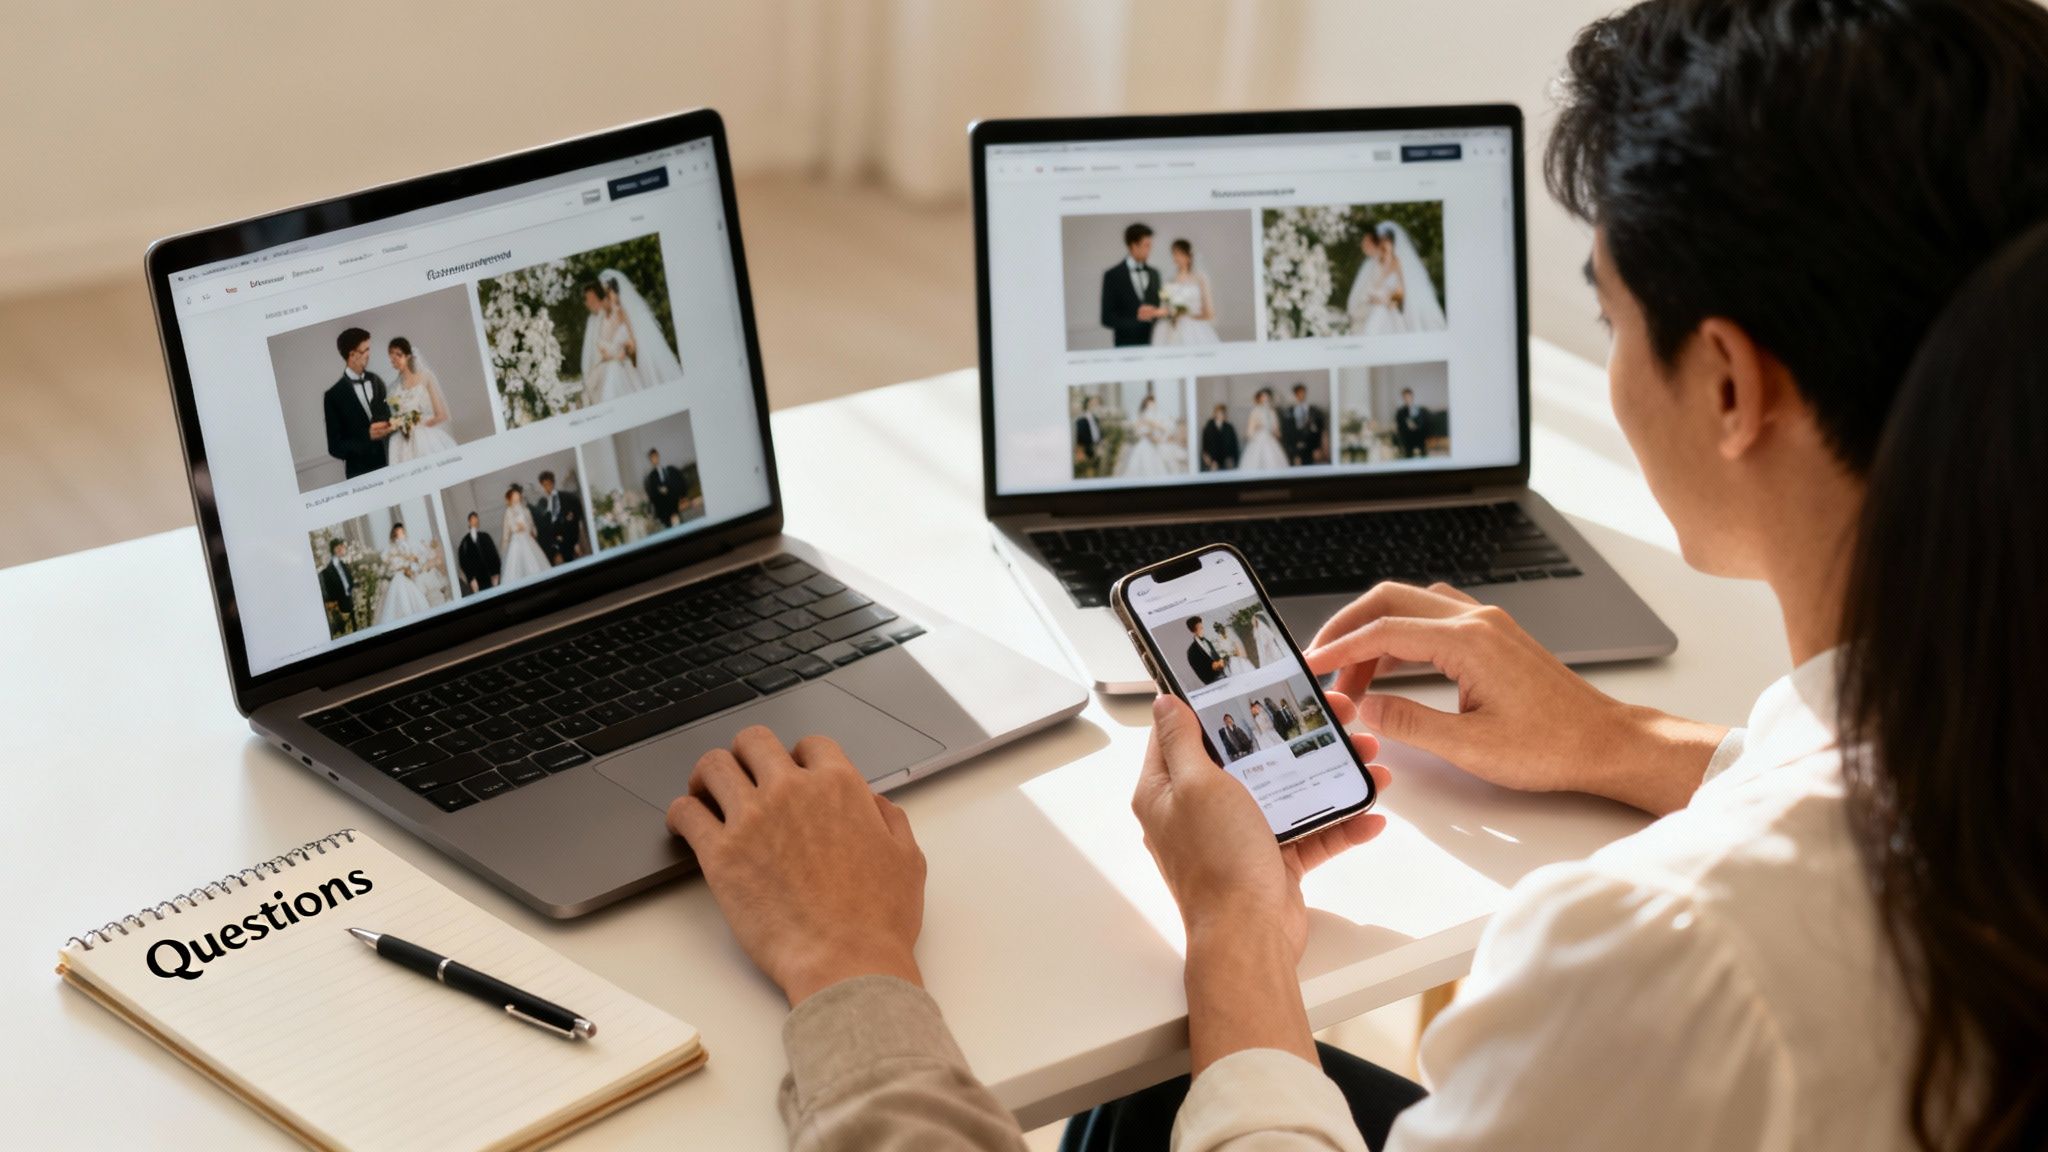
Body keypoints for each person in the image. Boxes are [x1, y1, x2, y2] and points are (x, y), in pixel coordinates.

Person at [653, 3, 2048, 1151]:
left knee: (1161, 1079)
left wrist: (1209, 938)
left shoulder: (1674, 957)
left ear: (1732, 382)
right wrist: (1638, 742)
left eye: (1613, 315)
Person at [322, 326, 392, 478]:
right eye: (364, 350)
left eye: (369, 349)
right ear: (352, 355)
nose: (369, 355)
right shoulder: (333, 396)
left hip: (390, 463)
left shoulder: (376, 381)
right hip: (361, 475)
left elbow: (387, 416)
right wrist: (367, 437)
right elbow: (335, 447)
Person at [383, 337, 459, 464]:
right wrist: (400, 424)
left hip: (423, 434)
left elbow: (441, 414)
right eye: (391, 355)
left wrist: (419, 426)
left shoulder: (425, 377)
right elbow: (394, 416)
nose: (394, 359)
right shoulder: (393, 388)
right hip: (402, 440)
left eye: (398, 354)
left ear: (408, 356)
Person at [1100, 223, 1164, 347]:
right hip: (1126, 348)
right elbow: (1106, 318)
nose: (1150, 250)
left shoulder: (1155, 274)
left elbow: (1159, 307)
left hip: (1155, 344)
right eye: (1147, 245)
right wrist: (1137, 321)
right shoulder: (1113, 275)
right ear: (1134, 246)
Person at [1154, 238, 1220, 345]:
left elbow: (1209, 312)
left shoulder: (1200, 278)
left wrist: (1188, 314)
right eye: (1174, 254)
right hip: (1171, 328)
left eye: (1180, 254)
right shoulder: (1168, 281)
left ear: (1189, 256)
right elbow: (1163, 306)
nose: (1177, 258)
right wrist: (1168, 313)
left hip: (1194, 328)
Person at [372, 523, 431, 626]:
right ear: (394, 535)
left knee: (414, 598)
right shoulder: (391, 548)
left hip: (407, 576)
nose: (401, 535)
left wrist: (411, 566)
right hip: (398, 576)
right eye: (399, 533)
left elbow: (413, 561)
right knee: (400, 597)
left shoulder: (407, 546)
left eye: (402, 532)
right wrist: (404, 565)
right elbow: (391, 564)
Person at [498, 484, 550, 584]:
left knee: (534, 562)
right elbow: (508, 528)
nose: (517, 496)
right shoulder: (509, 511)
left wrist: (531, 530)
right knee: (515, 566)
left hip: (527, 539)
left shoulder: (525, 510)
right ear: (510, 497)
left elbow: (531, 524)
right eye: (514, 495)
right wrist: (517, 528)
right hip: (516, 541)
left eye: (518, 495)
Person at [1114, 395, 1175, 478]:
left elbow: (1161, 428)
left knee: (1156, 465)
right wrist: (1151, 433)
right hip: (1145, 443)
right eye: (1149, 403)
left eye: (1153, 403)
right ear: (1146, 404)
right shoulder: (1144, 416)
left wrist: (1157, 433)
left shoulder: (1156, 416)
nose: (1152, 405)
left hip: (1152, 444)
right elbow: (1141, 431)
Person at [534, 470, 581, 565]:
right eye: (544, 485)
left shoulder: (565, 496)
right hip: (555, 541)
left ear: (553, 483)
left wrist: (570, 518)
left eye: (549, 483)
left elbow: (576, 510)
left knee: (571, 562)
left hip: (568, 537)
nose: (547, 487)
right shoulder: (545, 502)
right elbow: (548, 521)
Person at [1239, 388, 1290, 471]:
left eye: (1266, 397)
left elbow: (1275, 428)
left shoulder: (1272, 412)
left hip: (1270, 438)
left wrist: (1277, 433)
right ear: (1259, 398)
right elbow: (1250, 429)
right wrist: (1253, 433)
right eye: (1263, 397)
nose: (1265, 399)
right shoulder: (1255, 411)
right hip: (1258, 438)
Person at [1282, 383, 1327, 466]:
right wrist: (1294, 453)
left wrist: (1317, 448)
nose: (1301, 395)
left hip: (1311, 449)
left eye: (1303, 392)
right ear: (1295, 394)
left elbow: (1318, 431)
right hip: (1296, 451)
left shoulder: (1313, 410)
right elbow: (1287, 433)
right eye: (1298, 393)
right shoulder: (1289, 411)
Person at [455, 510, 500, 594]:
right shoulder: (464, 542)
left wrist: (495, 573)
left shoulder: (486, 537)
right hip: (476, 578)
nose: (475, 521)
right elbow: (463, 561)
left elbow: (494, 554)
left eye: (476, 519)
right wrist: (471, 578)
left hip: (489, 574)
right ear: (469, 522)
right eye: (473, 519)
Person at [318, 538, 355, 635]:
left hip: (349, 599)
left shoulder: (343, 564)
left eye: (343, 547)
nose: (343, 549)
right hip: (340, 603)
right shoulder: (328, 570)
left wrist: (351, 588)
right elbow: (331, 590)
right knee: (347, 630)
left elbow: (349, 580)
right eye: (341, 547)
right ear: (335, 549)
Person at [645, 448, 690, 527]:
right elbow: (652, 494)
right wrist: (660, 491)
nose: (654, 459)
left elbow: (679, 483)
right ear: (650, 460)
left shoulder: (669, 470)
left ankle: (676, 515)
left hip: (674, 500)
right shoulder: (651, 477)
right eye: (652, 458)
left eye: (655, 456)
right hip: (663, 506)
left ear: (658, 456)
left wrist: (681, 496)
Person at [1184, 617, 1226, 686]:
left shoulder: (1208, 642)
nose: (1203, 630)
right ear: (1193, 630)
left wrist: (1221, 661)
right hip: (1213, 681)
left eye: (1202, 627)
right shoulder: (1192, 651)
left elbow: (1216, 656)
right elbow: (1200, 671)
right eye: (1200, 628)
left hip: (1223, 675)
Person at [1199, 403, 1239, 471]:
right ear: (1215, 414)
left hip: (1226, 459)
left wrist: (1232, 458)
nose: (1222, 415)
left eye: (1223, 413)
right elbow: (1205, 445)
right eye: (1220, 413)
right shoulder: (1208, 427)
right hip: (1212, 459)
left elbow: (1234, 444)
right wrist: (1208, 460)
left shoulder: (1229, 427)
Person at [1393, 388, 1427, 458]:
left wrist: (1416, 427)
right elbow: (1399, 425)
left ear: (1412, 397)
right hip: (1407, 437)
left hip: (1418, 436)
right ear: (1403, 398)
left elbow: (1422, 423)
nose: (1407, 399)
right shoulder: (1400, 412)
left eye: (1408, 397)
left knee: (1423, 453)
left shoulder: (1419, 409)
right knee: (1407, 455)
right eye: (1405, 397)